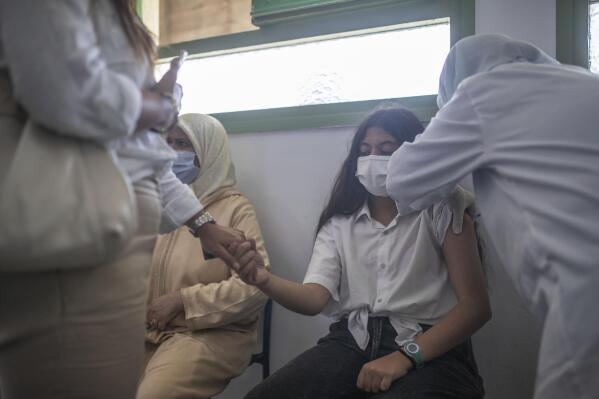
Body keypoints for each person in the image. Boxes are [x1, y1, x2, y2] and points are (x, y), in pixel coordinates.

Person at [0, 2, 241, 398]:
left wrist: (202, 223)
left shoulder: (233, 204)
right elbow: (64, 91)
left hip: (107, 238)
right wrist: (158, 106)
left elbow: (132, 148)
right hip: (77, 236)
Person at [385, 34, 599, 399]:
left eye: (383, 148)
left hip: (586, 302)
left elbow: (403, 180)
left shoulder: (482, 91)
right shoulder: (585, 83)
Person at [229, 107, 491, 399]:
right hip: (352, 340)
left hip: (429, 345)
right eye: (364, 150)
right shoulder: (339, 222)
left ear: (413, 152)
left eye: (385, 148)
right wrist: (263, 279)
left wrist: (405, 357)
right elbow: (314, 298)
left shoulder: (444, 209)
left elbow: (476, 308)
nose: (372, 159)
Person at [136, 114, 270, 399]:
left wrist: (183, 300)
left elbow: (254, 288)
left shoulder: (235, 210)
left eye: (182, 143)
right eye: (167, 142)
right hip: (146, 330)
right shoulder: (153, 205)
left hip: (208, 334)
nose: (171, 152)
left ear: (208, 151)